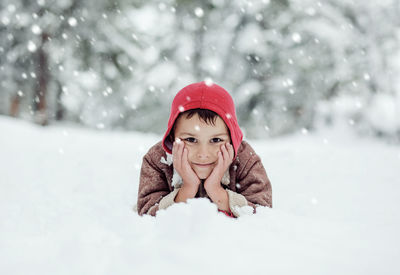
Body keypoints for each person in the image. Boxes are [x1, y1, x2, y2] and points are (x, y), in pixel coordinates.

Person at [137, 81, 272, 218]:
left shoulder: (245, 159)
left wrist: (215, 190)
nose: (203, 154)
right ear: (172, 137)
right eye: (191, 140)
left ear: (232, 138)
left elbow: (263, 214)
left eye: (215, 140)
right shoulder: (157, 160)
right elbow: (147, 215)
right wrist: (188, 188)